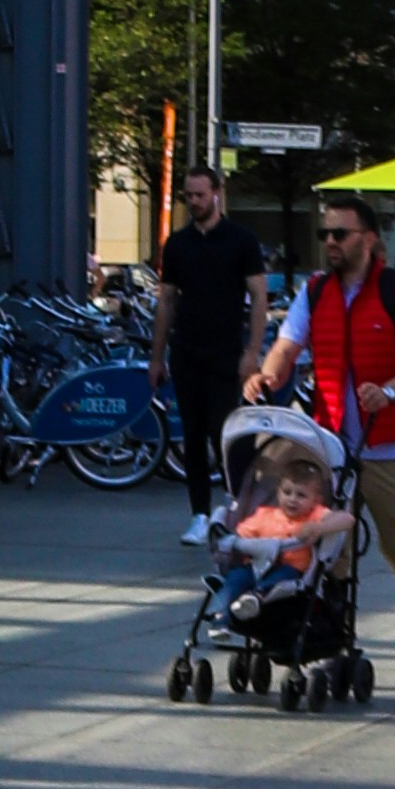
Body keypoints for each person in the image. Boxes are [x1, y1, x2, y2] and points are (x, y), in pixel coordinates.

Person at [259, 196, 395, 681]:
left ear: (367, 238)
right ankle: (335, 637)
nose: (330, 243)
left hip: (392, 448)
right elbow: (287, 345)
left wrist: (387, 391)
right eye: (326, 234)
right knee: (330, 547)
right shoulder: (316, 291)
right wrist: (266, 374)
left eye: (340, 234)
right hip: (332, 446)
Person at [155, 166, 267, 539]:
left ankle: (240, 507)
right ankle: (199, 513)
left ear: (217, 193)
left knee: (226, 432)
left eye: (200, 195)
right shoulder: (178, 244)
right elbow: (167, 300)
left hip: (225, 349)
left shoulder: (241, 240)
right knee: (192, 431)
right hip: (187, 348)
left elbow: (259, 298)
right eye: (189, 195)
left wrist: (252, 352)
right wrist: (157, 356)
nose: (194, 202)